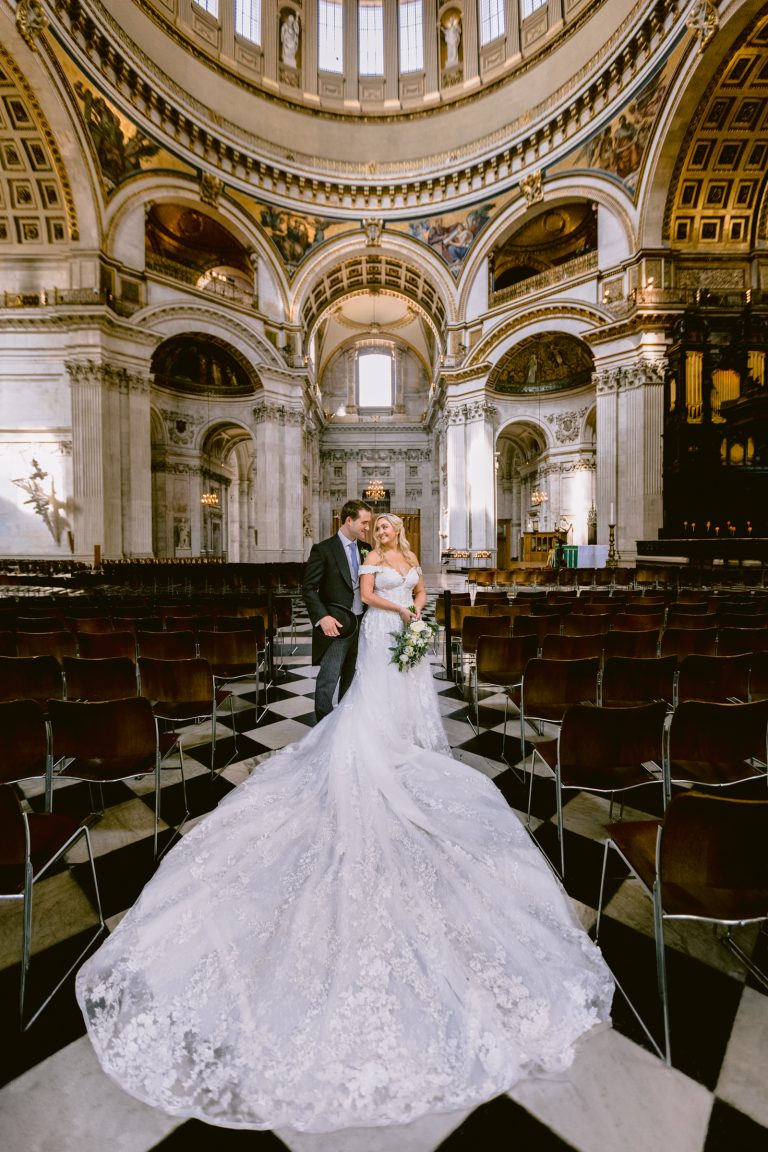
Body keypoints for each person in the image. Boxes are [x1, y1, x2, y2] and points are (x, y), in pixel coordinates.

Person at [76, 512, 614, 1133]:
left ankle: (395, 744)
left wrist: (416, 611)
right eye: (371, 524)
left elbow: (419, 589)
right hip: (378, 630)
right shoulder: (363, 559)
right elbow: (361, 596)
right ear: (363, 528)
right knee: (361, 700)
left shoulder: (403, 556)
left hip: (397, 630)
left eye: (383, 525)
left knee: (397, 704)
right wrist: (399, 610)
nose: (378, 531)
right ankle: (355, 738)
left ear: (393, 530)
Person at [302, 498, 372, 721]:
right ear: (349, 520)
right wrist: (322, 617)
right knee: (329, 678)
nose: (368, 528)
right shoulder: (323, 549)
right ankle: (323, 726)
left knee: (352, 676)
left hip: (362, 622)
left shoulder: (366, 549)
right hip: (336, 623)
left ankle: (345, 724)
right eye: (364, 523)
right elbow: (308, 588)